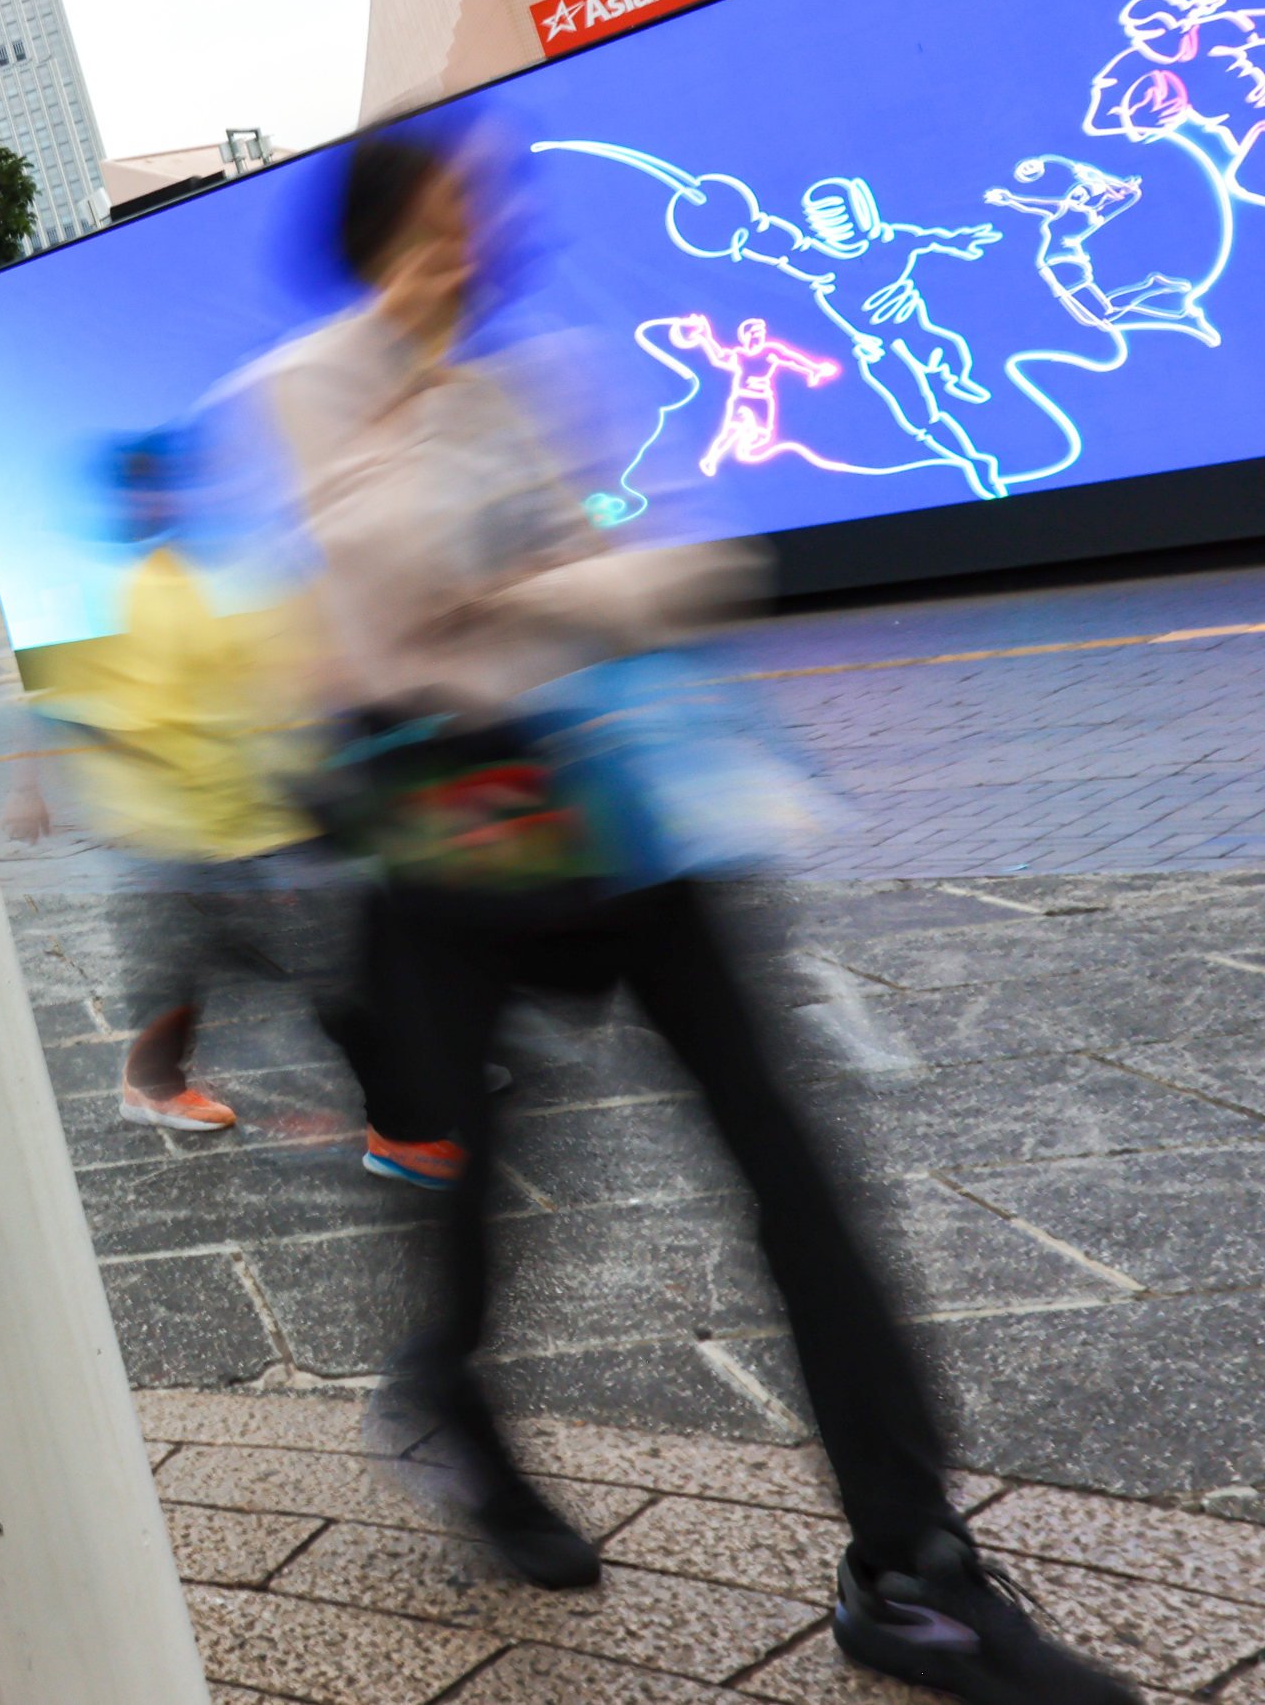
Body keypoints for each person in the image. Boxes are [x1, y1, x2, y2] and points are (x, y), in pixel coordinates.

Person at [261, 125, 1137, 1705]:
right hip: (443, 838)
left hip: (612, 810)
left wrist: (540, 580)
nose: (478, 248)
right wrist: (547, 573)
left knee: (780, 1149)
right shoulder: (320, 381)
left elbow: (651, 576)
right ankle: (447, 1395)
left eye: (484, 222)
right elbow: (402, 578)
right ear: (384, 239)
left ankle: (910, 1568)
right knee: (467, 1163)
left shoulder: (510, 389)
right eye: (446, 226)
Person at [38, 432, 449, 1183]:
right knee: (335, 977)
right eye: (145, 492)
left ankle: (154, 1085)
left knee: (194, 970)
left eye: (163, 489)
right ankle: (401, 1130)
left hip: (226, 824)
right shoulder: (136, 589)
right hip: (202, 830)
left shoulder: (188, 574)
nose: (159, 503)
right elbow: (142, 718)